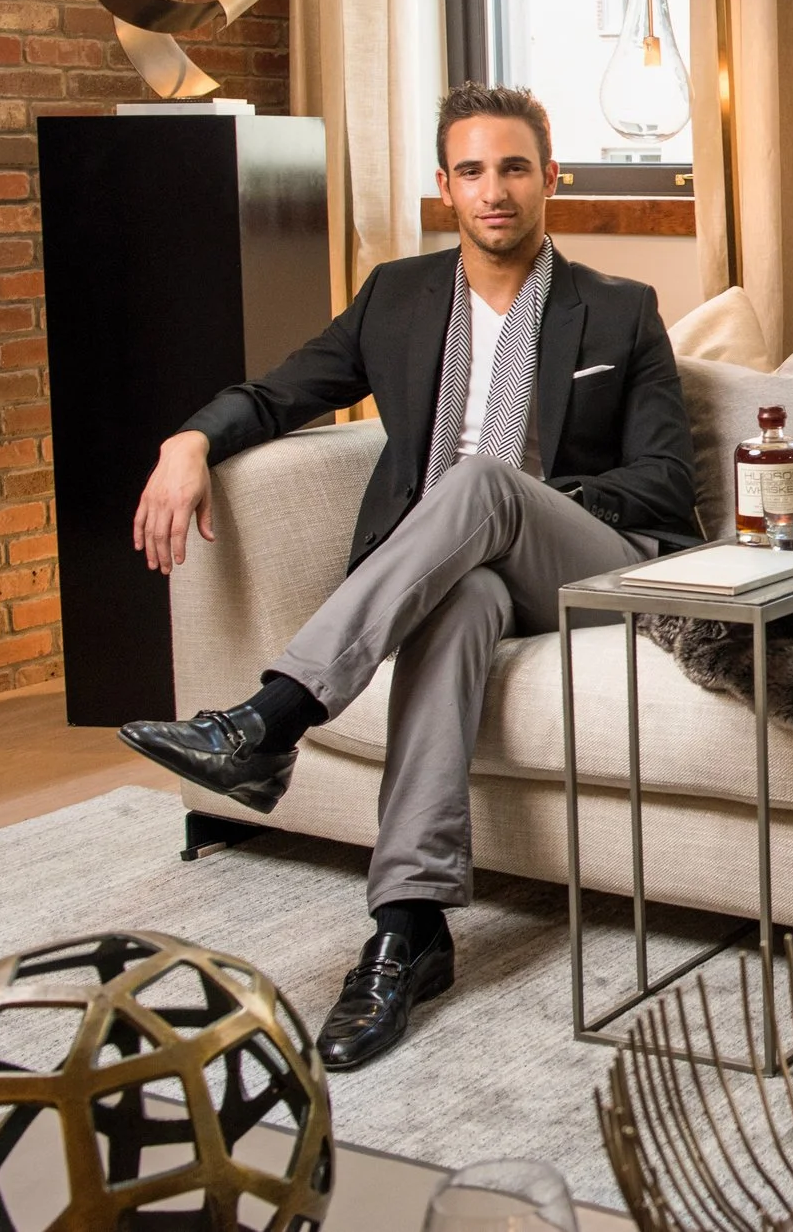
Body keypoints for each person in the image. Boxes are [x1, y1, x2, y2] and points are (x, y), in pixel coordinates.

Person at [120, 82, 698, 1070]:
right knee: (459, 595)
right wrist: (187, 439)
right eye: (472, 170)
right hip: (453, 575)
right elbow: (276, 392)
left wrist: (523, 509)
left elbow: (664, 483)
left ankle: (272, 717)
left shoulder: (620, 312)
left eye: (515, 166)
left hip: (585, 568)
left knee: (484, 486)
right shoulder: (398, 298)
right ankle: (406, 928)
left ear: (549, 177)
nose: (495, 189)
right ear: (444, 188)